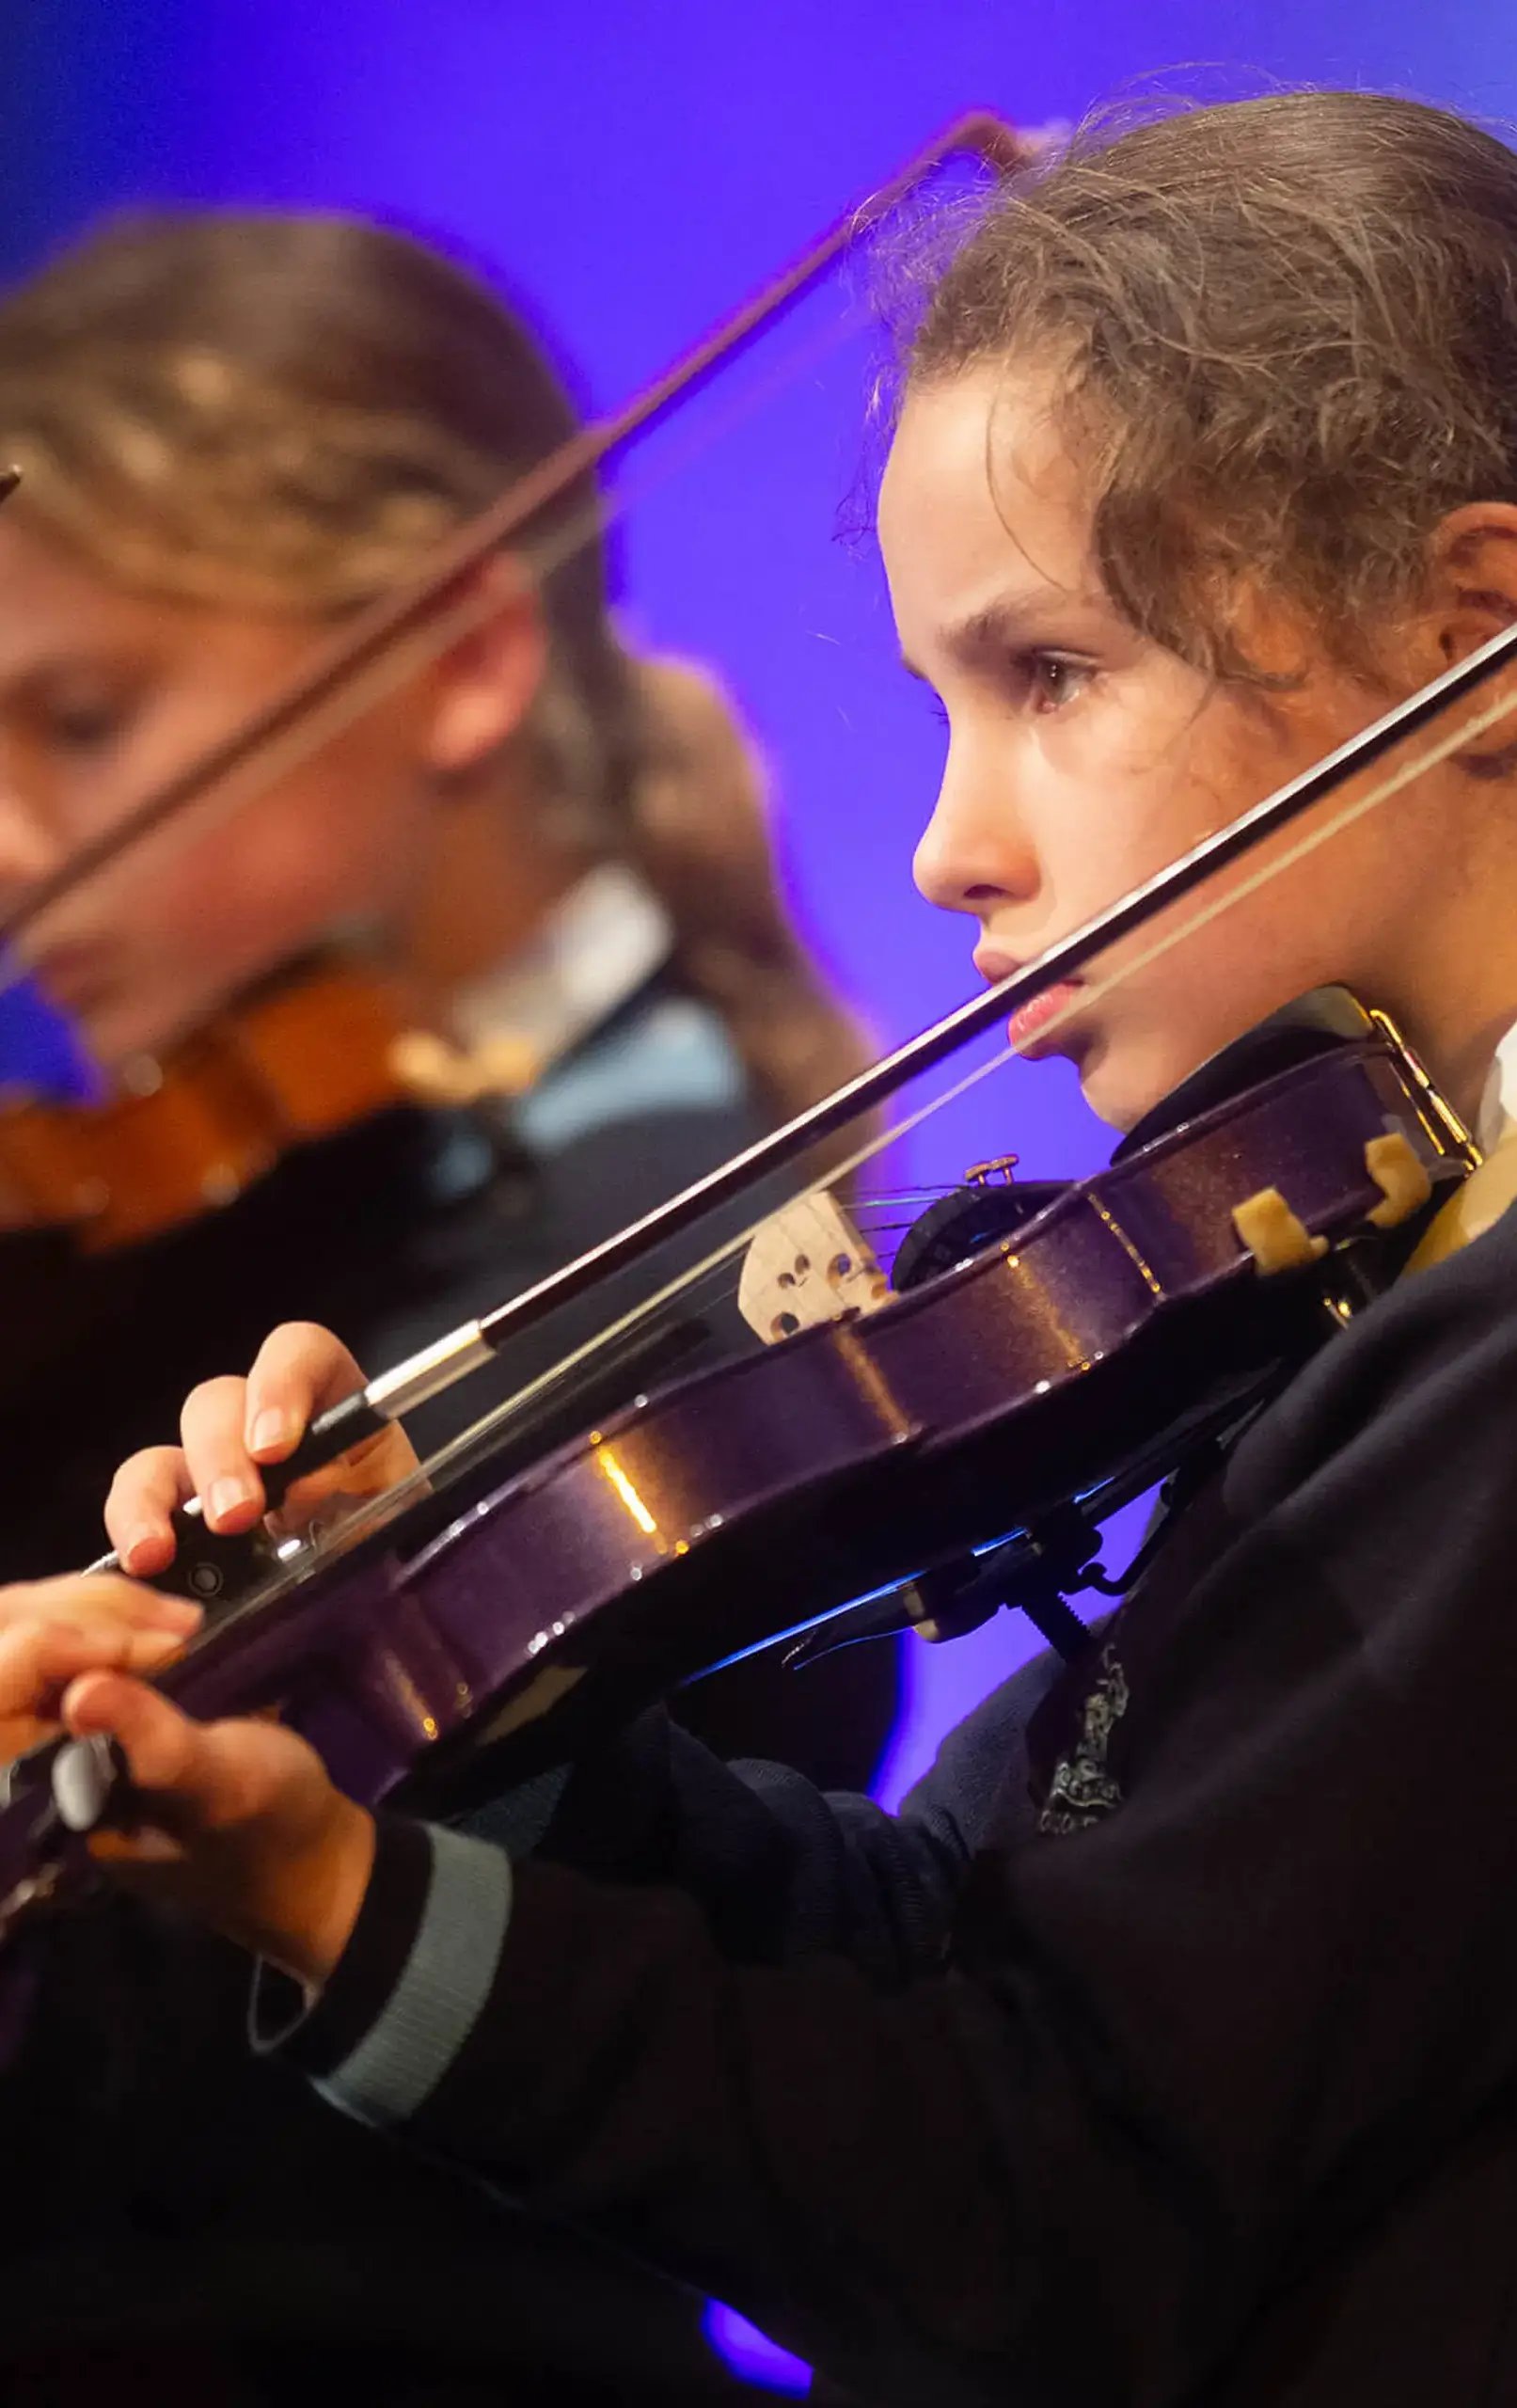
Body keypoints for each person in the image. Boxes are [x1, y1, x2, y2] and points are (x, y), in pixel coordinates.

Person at [20, 83, 1517, 2406]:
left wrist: (345, 1907)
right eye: (940, 697)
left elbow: (1063, 2217)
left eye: (1049, 675)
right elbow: (967, 1942)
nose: (939, 844)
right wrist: (406, 1725)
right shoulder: (1350, 1285)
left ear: (1474, 635)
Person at [0, 208, 901, 2406]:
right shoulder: (199, 1216)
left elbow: (205, 2056)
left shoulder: (664, 1253)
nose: (12, 852)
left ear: (462, 662)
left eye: (79, 723)